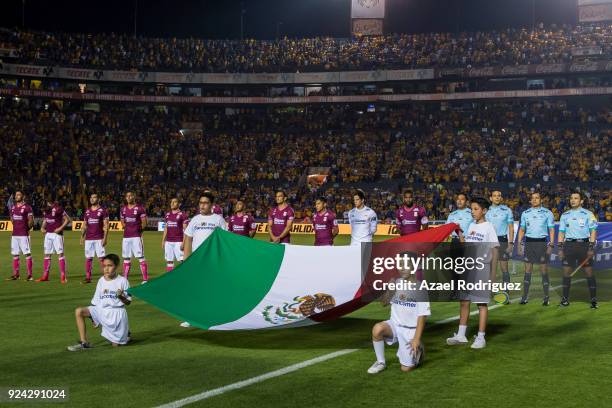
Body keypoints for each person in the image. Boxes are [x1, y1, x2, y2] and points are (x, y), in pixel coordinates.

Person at [446, 197, 499, 349]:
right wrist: (460, 234)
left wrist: (493, 275)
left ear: (484, 211)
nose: (473, 212)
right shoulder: (470, 226)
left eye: (476, 209)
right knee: (463, 302)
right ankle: (461, 335)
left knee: (481, 304)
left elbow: (495, 251)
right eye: (472, 209)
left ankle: (481, 337)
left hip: (482, 269)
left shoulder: (489, 227)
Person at [368, 253, 430, 373]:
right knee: (377, 329)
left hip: (410, 330)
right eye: (400, 264)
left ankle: (419, 350)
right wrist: (389, 289)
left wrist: (416, 338)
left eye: (406, 264)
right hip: (395, 325)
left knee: (405, 369)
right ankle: (381, 362)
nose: (402, 267)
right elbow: (384, 303)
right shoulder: (396, 282)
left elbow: (422, 316)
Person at [181, 192, 227, 328]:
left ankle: (214, 316)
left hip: (213, 261)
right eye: (200, 203)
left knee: (212, 289)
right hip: (196, 261)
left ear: (211, 205)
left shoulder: (218, 220)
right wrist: (186, 261)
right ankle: (191, 318)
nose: (202, 205)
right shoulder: (194, 220)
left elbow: (225, 241)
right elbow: (188, 239)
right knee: (194, 290)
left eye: (205, 203)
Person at [67, 254, 131, 351]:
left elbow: (128, 302)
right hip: (101, 310)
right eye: (104, 266)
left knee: (116, 346)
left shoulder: (123, 281)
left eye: (110, 266)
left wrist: (121, 297)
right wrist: (93, 317)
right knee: (79, 311)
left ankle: (126, 335)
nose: (106, 269)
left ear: (117, 266)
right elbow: (96, 301)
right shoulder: (101, 280)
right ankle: (84, 343)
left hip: (116, 314)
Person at [557, 191, 598, 309]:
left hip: (584, 245)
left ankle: (594, 300)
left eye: (576, 198)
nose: (573, 200)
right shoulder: (565, 215)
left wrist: (591, 247)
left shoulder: (589, 214)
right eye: (571, 198)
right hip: (569, 246)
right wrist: (560, 248)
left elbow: (593, 231)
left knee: (589, 273)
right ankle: (565, 300)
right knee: (566, 273)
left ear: (581, 201)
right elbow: (561, 232)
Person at [516, 192, 555, 305]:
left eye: (537, 198)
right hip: (529, 243)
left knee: (544, 271)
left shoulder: (548, 213)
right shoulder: (525, 213)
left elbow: (551, 229)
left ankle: (546, 297)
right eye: (532, 198)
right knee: (527, 271)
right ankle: (525, 296)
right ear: (530, 200)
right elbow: (522, 230)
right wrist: (519, 243)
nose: (534, 200)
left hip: (542, 243)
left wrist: (551, 244)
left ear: (541, 200)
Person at [37, 195, 71, 283]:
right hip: (48, 234)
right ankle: (45, 276)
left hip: (57, 235)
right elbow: (46, 220)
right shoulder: (46, 209)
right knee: (47, 255)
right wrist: (42, 227)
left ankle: (63, 277)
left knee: (60, 254)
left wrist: (60, 228)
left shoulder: (58, 208)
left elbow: (67, 220)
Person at [486, 190, 515, 286]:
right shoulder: (485, 210)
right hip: (489, 241)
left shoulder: (507, 210)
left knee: (504, 268)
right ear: (491, 198)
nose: (497, 197)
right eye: (494, 196)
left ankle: (506, 291)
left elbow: (511, 228)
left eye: (499, 196)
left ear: (501, 198)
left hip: (502, 240)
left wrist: (511, 243)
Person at [80, 193, 109, 283]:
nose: (92, 199)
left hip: (99, 238)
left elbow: (106, 226)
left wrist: (105, 238)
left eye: (94, 197)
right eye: (91, 197)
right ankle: (88, 277)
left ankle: (106, 276)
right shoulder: (87, 211)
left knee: (101, 258)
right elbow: (85, 225)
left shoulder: (103, 211)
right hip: (89, 238)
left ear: (98, 199)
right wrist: (82, 237)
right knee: (88, 258)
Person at [120, 191, 148, 283]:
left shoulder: (140, 208)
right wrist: (124, 225)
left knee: (140, 257)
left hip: (136, 236)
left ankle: (145, 279)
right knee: (126, 258)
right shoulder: (123, 209)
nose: (129, 197)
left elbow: (144, 223)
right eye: (127, 196)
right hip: (126, 237)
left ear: (134, 197)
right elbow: (122, 219)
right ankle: (125, 279)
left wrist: (139, 231)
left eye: (130, 195)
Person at [7, 191, 34, 281]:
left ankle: (30, 275)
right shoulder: (13, 207)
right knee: (15, 254)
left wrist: (27, 229)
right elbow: (12, 219)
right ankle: (16, 274)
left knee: (27, 254)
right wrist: (12, 217)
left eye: (18, 195)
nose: (17, 196)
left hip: (23, 234)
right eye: (16, 195)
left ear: (23, 196)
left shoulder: (27, 207)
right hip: (14, 234)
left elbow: (31, 221)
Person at [162, 198, 189, 271]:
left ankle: (184, 278)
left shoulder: (183, 215)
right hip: (168, 242)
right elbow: (166, 228)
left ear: (179, 204)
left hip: (178, 241)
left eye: (174, 202)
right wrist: (163, 240)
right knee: (169, 261)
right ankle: (170, 279)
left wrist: (184, 243)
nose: (172, 203)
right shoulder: (167, 215)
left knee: (182, 261)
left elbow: (186, 230)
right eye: (171, 202)